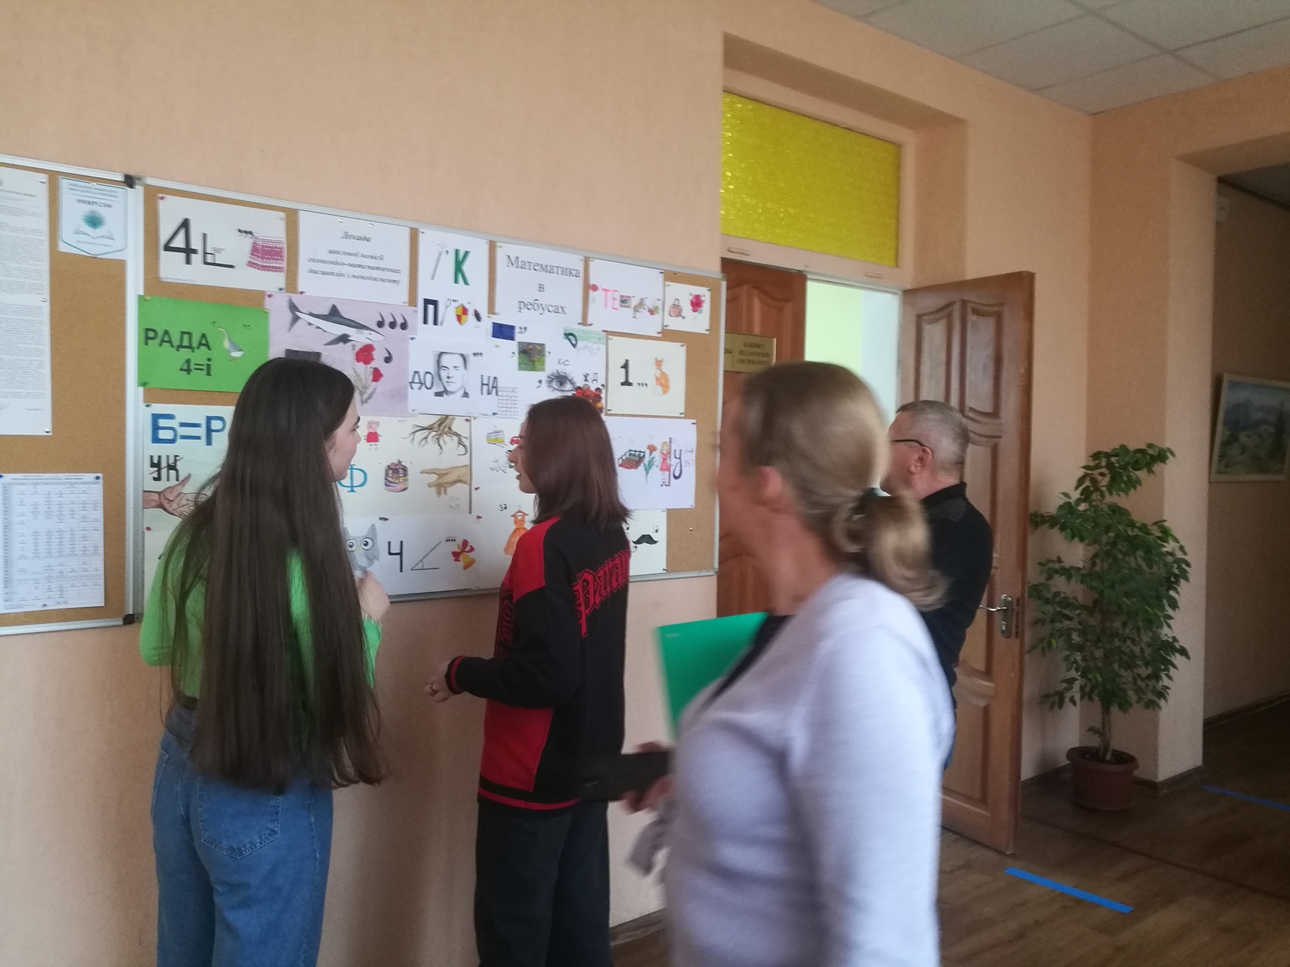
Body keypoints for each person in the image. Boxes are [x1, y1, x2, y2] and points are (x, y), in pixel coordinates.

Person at [630, 361, 952, 967]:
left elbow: (885, 947)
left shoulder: (862, 652)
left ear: (767, 483)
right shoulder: (796, 621)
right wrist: (692, 773)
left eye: (722, 451)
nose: (710, 474)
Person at [140, 357, 389, 967]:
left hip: (180, 772)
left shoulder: (192, 535)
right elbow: (337, 695)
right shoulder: (306, 561)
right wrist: (368, 621)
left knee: (185, 951)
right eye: (354, 427)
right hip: (265, 774)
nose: (359, 439)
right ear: (318, 445)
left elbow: (156, 648)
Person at [426, 395, 629, 967]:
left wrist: (460, 672)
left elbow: (547, 676)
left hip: (531, 771)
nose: (514, 454)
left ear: (556, 455)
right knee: (580, 929)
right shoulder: (609, 534)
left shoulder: (542, 545)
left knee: (513, 936)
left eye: (523, 443)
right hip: (591, 761)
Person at [882, 400, 994, 701]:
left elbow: (888, 612)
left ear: (920, 458)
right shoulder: (908, 517)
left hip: (911, 705)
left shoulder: (958, 527)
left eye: (889, 442)